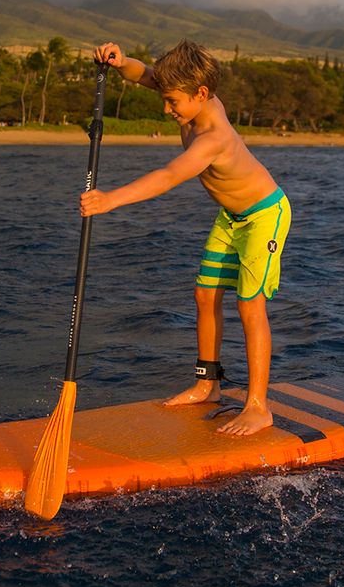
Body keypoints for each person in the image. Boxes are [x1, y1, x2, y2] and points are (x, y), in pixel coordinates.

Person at [82, 40, 292, 436]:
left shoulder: (213, 136)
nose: (166, 109)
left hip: (264, 216)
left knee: (250, 305)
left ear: (200, 94)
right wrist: (122, 61)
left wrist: (111, 199)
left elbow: (169, 176)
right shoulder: (189, 97)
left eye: (172, 102)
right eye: (164, 99)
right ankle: (207, 384)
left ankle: (258, 406)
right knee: (205, 295)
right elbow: (143, 74)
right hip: (231, 217)